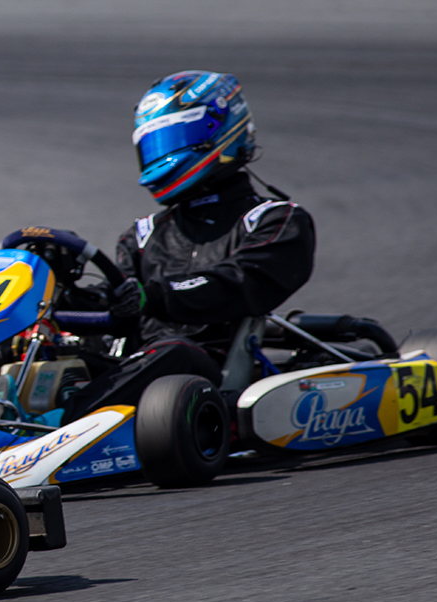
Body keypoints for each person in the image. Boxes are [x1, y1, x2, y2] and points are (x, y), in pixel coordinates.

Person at [60, 70, 315, 420]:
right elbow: (116, 307)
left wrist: (155, 295)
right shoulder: (144, 235)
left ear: (220, 133)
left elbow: (238, 283)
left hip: (208, 371)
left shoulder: (275, 220)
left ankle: (60, 429)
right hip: (134, 367)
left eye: (172, 139)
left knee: (174, 351)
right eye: (152, 145)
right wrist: (60, 292)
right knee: (22, 352)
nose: (160, 156)